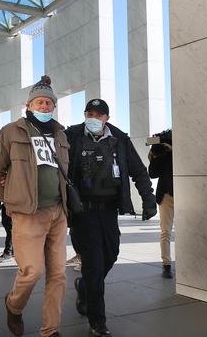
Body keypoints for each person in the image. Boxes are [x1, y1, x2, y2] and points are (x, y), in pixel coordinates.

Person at [65, 98, 157, 337]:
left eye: (99, 114)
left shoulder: (119, 139)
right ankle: (98, 322)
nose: (94, 118)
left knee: (111, 255)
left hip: (108, 210)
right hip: (82, 212)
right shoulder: (72, 136)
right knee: (94, 264)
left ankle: (84, 286)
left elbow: (138, 170)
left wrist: (148, 200)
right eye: (89, 113)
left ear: (107, 117)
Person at [0, 75, 69, 337]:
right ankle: (14, 305)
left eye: (49, 103)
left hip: (58, 212)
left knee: (58, 275)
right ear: (29, 104)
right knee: (32, 271)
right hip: (27, 214)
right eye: (40, 102)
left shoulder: (61, 134)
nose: (45, 107)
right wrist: (9, 197)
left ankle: (51, 330)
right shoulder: (12, 131)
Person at [148, 129, 174, 278]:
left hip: (183, 192)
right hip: (165, 195)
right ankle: (166, 264)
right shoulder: (160, 151)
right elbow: (152, 173)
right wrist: (156, 156)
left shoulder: (181, 147)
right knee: (165, 231)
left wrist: (174, 151)